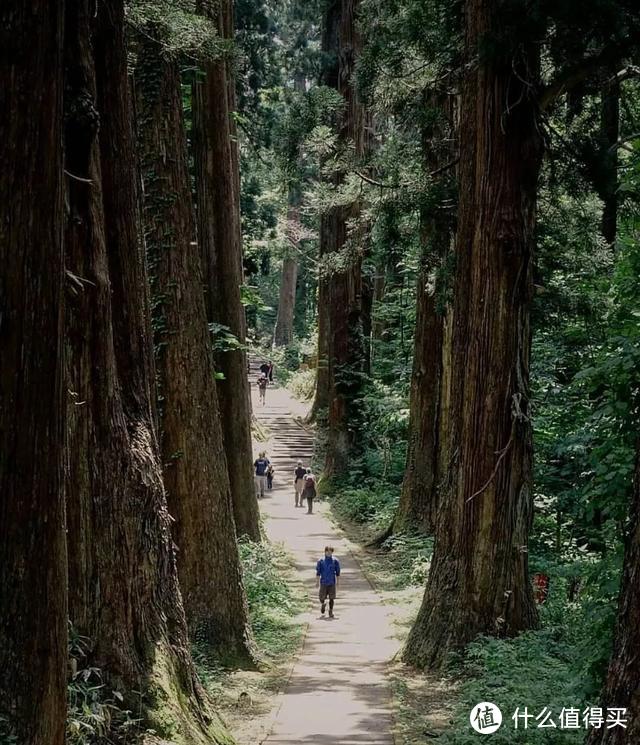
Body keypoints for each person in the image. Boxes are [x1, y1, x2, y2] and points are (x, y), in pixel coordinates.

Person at [316, 546, 340, 618]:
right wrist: (317, 582)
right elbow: (318, 572)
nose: (329, 553)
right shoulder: (321, 561)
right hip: (323, 582)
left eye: (330, 552)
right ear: (325, 552)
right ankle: (323, 604)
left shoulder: (335, 561)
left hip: (332, 582)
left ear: (332, 552)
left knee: (332, 598)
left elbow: (338, 572)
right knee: (321, 597)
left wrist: (338, 582)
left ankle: (331, 611)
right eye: (327, 551)